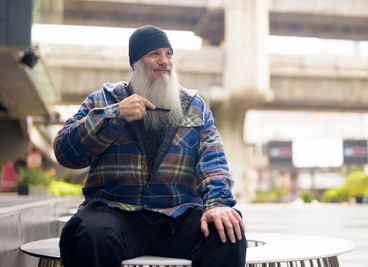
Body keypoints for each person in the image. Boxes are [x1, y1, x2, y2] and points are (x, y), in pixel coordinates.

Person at [54, 25, 246, 267]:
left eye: (168, 53)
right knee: (92, 235)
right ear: (136, 63)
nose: (164, 61)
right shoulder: (103, 100)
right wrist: (115, 115)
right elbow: (65, 152)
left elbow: (213, 163)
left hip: (178, 215)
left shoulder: (194, 106)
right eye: (155, 54)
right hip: (115, 212)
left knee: (226, 232)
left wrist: (217, 204)